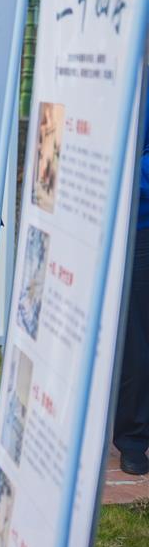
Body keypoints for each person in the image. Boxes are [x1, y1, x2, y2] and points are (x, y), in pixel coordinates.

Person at [114, 95, 149, 475]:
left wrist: (117, 171)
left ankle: (134, 437)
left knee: (137, 337)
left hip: (137, 225)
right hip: (84, 225)